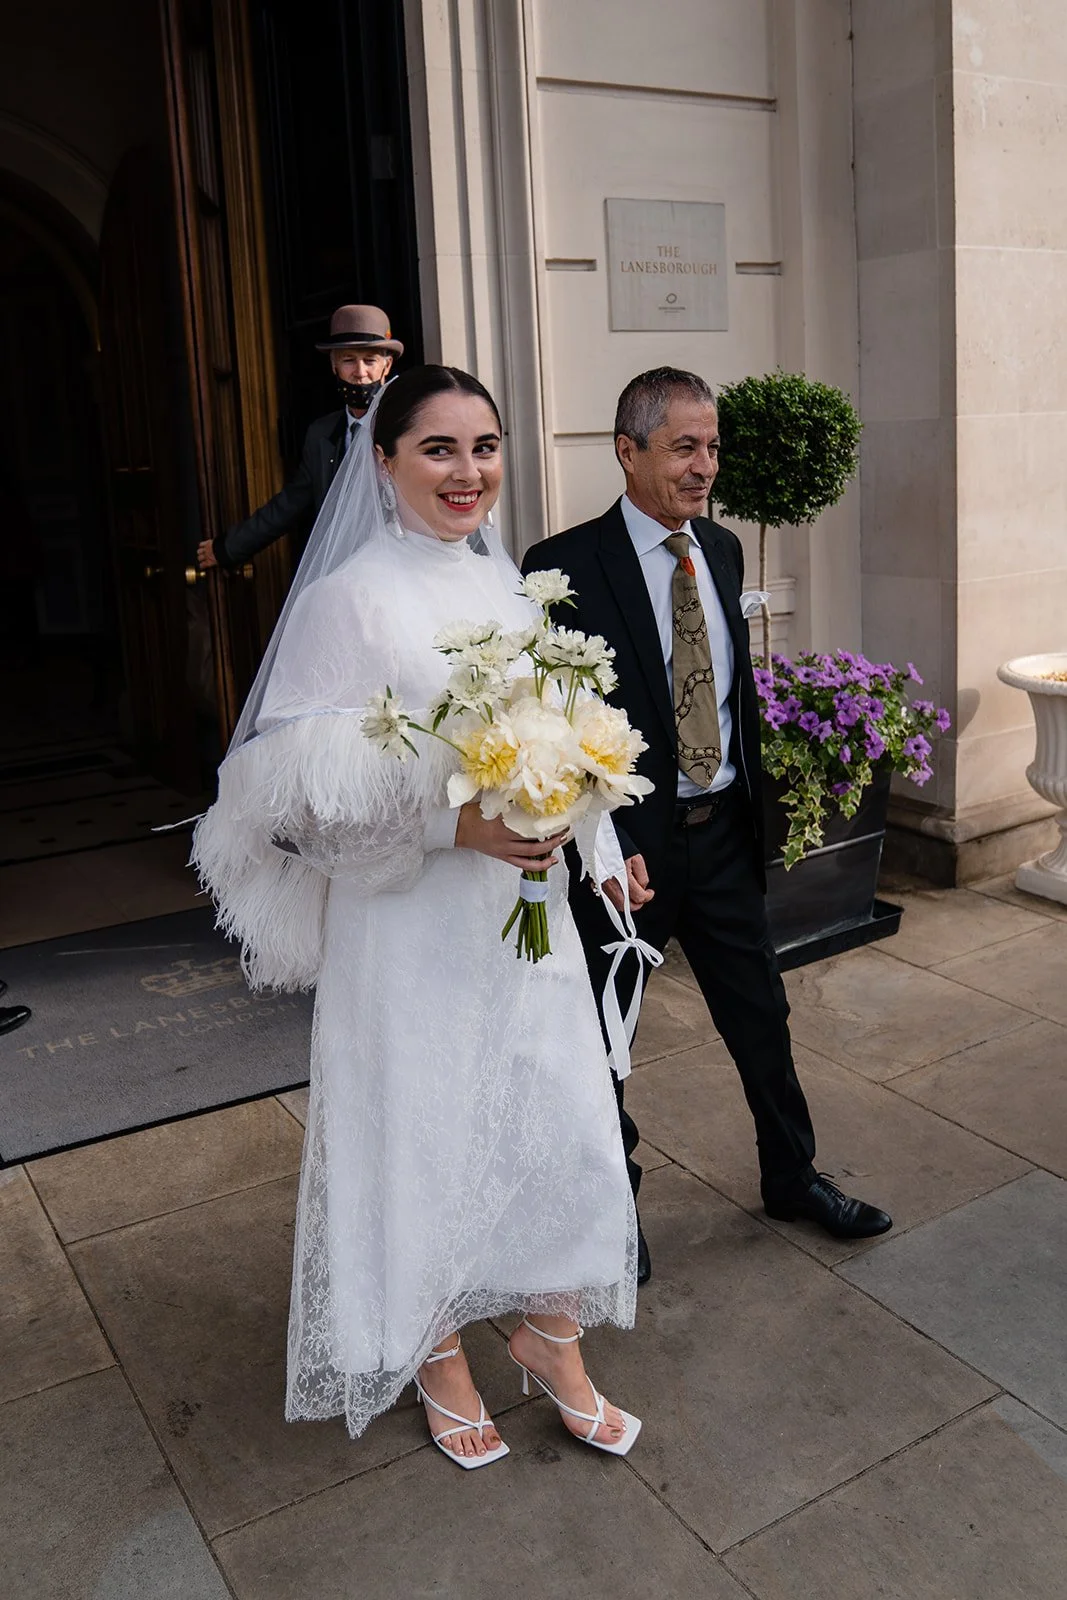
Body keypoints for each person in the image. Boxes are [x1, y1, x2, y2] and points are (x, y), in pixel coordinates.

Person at [192, 365, 641, 1466]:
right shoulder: (351, 598)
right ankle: (432, 1344)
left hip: (519, 918)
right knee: (419, 1124)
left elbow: (568, 728)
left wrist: (599, 842)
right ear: (381, 459)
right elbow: (294, 791)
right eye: (437, 448)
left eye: (483, 446)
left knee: (551, 1120)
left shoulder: (509, 585)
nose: (467, 471)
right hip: (406, 927)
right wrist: (454, 831)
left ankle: (550, 1336)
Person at [522, 366, 892, 1285]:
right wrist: (605, 844)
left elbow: (725, 695)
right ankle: (615, 1204)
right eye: (684, 446)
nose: (705, 465)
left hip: (722, 833)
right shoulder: (558, 568)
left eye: (712, 446)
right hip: (627, 853)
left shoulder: (721, 552)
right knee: (605, 1038)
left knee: (761, 1015)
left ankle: (792, 1175)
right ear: (627, 450)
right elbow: (551, 723)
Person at [196, 305, 402, 572]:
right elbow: (290, 504)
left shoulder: (406, 427)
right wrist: (227, 548)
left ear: (387, 365)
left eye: (370, 361)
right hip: (342, 574)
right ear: (334, 366)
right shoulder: (321, 434)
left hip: (397, 570)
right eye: (349, 360)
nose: (360, 372)